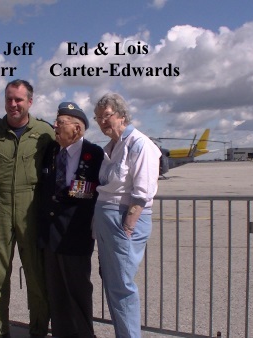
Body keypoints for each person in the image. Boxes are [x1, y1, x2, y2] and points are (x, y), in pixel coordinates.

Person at [0, 79, 54, 338]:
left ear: (30, 101)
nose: (13, 104)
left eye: (18, 99)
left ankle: (39, 331)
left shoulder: (44, 132)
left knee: (37, 279)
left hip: (32, 213)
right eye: (9, 99)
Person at [92, 93, 161, 338]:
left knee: (122, 285)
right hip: (106, 220)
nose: (102, 121)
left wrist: (128, 226)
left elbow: (142, 192)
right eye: (98, 117)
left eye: (106, 115)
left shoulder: (140, 144)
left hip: (123, 221)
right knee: (112, 285)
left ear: (122, 115)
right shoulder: (111, 147)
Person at [38, 102, 103, 338]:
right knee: (56, 295)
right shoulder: (51, 152)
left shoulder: (94, 154)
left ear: (77, 128)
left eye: (61, 122)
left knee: (78, 293)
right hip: (50, 237)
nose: (55, 126)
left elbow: (91, 191)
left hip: (76, 236)